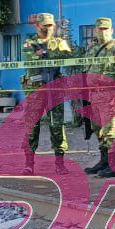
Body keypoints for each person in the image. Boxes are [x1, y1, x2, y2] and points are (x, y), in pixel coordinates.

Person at [21, 13, 73, 174]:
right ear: (37, 26)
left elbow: (67, 56)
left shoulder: (59, 42)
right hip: (35, 90)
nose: (49, 28)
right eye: (45, 25)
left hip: (55, 89)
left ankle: (59, 162)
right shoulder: (29, 43)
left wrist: (44, 53)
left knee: (57, 125)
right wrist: (48, 53)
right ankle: (29, 164)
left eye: (51, 25)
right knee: (31, 126)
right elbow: (30, 58)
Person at [82, 17, 115, 179]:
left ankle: (114, 166)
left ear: (111, 30)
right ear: (95, 30)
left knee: (111, 131)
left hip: (110, 96)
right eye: (100, 29)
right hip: (94, 96)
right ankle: (104, 161)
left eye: (105, 29)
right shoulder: (92, 48)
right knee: (98, 130)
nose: (102, 32)